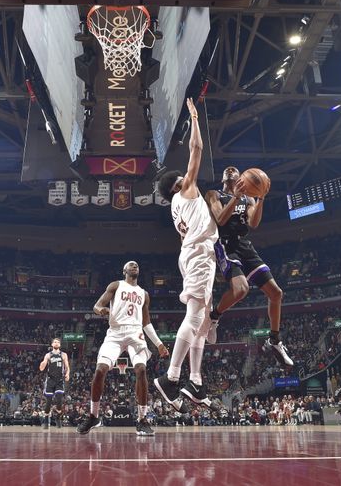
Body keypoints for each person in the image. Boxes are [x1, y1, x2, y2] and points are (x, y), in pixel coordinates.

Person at [153, 98, 218, 410]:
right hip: (199, 255)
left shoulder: (176, 206)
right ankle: (171, 377)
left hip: (193, 254)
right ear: (177, 184)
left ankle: (195, 380)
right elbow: (197, 151)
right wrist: (194, 118)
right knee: (195, 316)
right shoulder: (185, 191)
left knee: (203, 320)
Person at [204, 168, 291, 365]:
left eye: (234, 169)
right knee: (241, 289)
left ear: (242, 178)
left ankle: (275, 340)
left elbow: (253, 222)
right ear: (223, 177)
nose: (230, 170)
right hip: (225, 244)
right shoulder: (214, 194)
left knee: (276, 294)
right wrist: (235, 197)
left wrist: (260, 198)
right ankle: (214, 317)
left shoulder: (248, 199)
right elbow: (220, 219)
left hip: (244, 244)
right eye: (227, 170)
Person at [77, 260, 170, 436]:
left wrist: (159, 344)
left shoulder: (144, 294)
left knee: (141, 370)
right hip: (115, 333)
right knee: (100, 370)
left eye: (137, 265)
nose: (135, 266)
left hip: (136, 334)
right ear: (124, 270)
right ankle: (93, 416)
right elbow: (97, 306)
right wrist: (101, 311)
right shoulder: (116, 285)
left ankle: (142, 420)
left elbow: (146, 322)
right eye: (131, 264)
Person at [38, 337, 69, 428]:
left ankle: (58, 417)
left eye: (58, 342)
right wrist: (43, 364)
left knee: (59, 400)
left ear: (59, 345)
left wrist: (67, 374)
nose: (56, 343)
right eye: (55, 342)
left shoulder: (63, 355)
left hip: (59, 380)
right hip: (50, 380)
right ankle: (46, 420)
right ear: (52, 344)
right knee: (48, 401)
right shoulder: (48, 355)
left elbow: (67, 366)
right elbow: (41, 368)